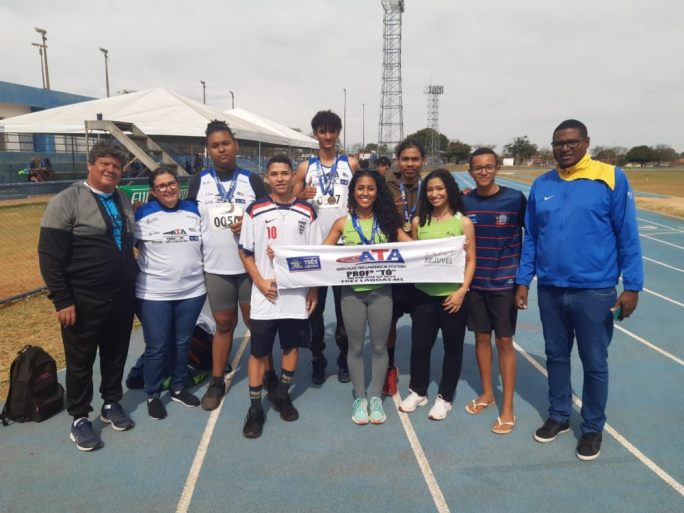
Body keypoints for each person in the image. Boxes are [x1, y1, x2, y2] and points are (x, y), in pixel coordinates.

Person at [515, 119, 642, 461]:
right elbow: (532, 238)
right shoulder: (542, 185)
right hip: (552, 289)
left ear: (586, 142)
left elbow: (627, 234)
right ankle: (559, 416)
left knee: (594, 362)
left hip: (595, 290)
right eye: (558, 143)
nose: (565, 148)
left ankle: (592, 427)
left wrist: (633, 286)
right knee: (556, 356)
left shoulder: (610, 177)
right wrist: (523, 280)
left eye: (571, 142)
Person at [38, 141, 137, 451]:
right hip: (83, 298)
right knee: (80, 361)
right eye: (104, 164)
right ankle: (80, 417)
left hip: (121, 295)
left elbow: (128, 241)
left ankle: (111, 403)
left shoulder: (122, 198)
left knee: (116, 352)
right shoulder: (67, 200)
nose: (110, 170)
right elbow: (49, 256)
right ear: (90, 165)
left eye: (116, 166)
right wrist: (62, 299)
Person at [238, 155, 320, 438]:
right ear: (267, 178)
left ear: (291, 176)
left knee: (291, 347)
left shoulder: (307, 212)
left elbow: (315, 256)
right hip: (265, 294)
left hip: (295, 294)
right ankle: (255, 408)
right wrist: (259, 281)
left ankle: (282, 395)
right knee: (259, 352)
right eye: (274, 174)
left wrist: (313, 289)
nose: (281, 178)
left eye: (285, 173)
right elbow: (245, 252)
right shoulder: (254, 210)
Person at [188, 120, 267, 411]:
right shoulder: (199, 181)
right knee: (223, 324)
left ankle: (266, 373)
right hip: (216, 267)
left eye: (226, 143)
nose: (221, 149)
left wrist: (247, 224)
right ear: (208, 150)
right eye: (215, 145)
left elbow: (266, 217)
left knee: (254, 324)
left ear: (236, 145)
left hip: (248, 267)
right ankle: (217, 379)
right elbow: (187, 218)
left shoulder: (252, 180)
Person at [323, 170, 411, 424]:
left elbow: (414, 247)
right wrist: (287, 255)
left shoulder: (388, 222)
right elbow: (321, 253)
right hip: (351, 295)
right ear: (353, 192)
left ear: (377, 192)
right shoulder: (342, 223)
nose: (365, 193)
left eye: (370, 188)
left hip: (381, 294)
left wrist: (444, 249)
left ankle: (375, 396)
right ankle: (359, 397)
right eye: (360, 188)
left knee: (380, 347)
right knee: (357, 347)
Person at [398, 169, 476, 420]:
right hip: (423, 295)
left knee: (453, 349)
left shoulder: (463, 223)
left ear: (449, 190)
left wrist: (462, 291)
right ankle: (418, 391)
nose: (434, 194)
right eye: (430, 189)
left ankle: (445, 397)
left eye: (439, 189)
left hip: (453, 298)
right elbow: (413, 256)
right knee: (420, 346)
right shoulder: (418, 223)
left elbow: (471, 260)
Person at [462, 148, 526, 435]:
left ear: (497, 168)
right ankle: (488, 394)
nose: (484, 172)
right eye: (478, 168)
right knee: (480, 339)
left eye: (489, 167)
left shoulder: (515, 200)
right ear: (471, 170)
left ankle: (508, 406)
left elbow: (532, 237)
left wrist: (522, 282)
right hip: (475, 283)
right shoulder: (465, 202)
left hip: (503, 284)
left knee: (504, 343)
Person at [134, 168, 207, 420]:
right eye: (161, 186)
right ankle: (153, 394)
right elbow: (128, 248)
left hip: (192, 291)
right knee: (157, 346)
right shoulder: (143, 214)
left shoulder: (194, 210)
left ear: (179, 185)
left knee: (182, 342)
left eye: (172, 183)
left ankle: (177, 386)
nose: (168, 189)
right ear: (153, 191)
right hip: (153, 293)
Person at [293, 110, 359, 384]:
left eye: (332, 131)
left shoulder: (351, 163)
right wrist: (300, 194)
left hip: (345, 248)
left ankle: (344, 358)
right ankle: (318, 357)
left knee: (345, 309)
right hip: (316, 248)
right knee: (314, 310)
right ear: (315, 134)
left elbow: (366, 193)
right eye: (322, 131)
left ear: (338, 133)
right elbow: (290, 198)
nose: (328, 136)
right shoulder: (304, 167)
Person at [382, 139, 425, 396]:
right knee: (389, 322)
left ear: (422, 161)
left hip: (420, 266)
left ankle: (419, 375)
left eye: (415, 159)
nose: (410, 164)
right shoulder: (384, 186)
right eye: (405, 159)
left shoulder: (430, 186)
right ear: (398, 160)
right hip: (394, 264)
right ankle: (389, 367)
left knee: (422, 322)